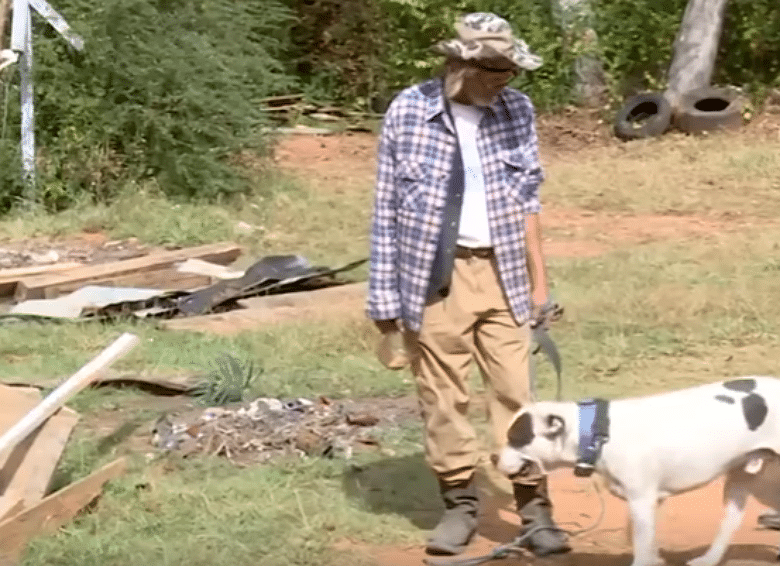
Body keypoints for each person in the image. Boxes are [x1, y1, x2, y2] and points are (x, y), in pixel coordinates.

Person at [366, 11, 571, 558]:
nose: (506, 81)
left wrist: (538, 285)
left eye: (511, 72)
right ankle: (460, 506)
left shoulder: (516, 111)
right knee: (443, 398)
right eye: (496, 71)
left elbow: (529, 200)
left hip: (502, 270)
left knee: (516, 392)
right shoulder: (408, 111)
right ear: (460, 65)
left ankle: (534, 509)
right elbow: (385, 210)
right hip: (434, 279)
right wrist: (384, 299)